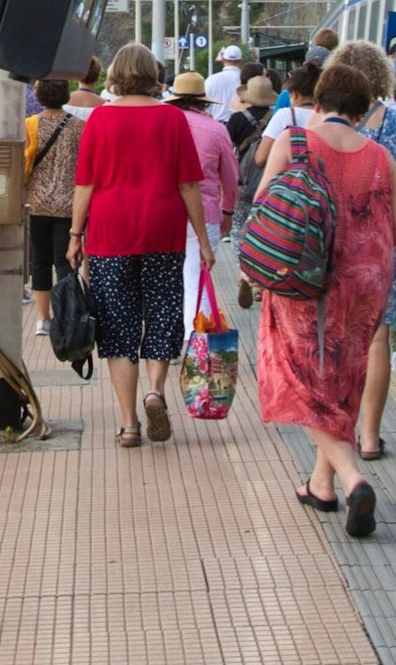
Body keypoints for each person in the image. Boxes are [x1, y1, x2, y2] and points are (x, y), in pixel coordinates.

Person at [253, 49, 396, 537]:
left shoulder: (295, 142)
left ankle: (352, 480)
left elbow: (266, 204)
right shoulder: (378, 154)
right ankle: (320, 484)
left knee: (298, 380)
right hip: (365, 283)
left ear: (318, 102)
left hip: (305, 280)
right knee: (342, 381)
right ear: (362, 107)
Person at [69, 44, 216, 446]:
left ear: (116, 72)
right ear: (153, 73)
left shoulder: (100, 119)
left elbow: (86, 184)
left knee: (118, 326)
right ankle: (155, 391)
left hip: (110, 232)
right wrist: (203, 241)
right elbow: (189, 184)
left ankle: (130, 423)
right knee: (163, 312)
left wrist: (75, 235)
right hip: (163, 230)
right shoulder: (173, 118)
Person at [331, 41, 396, 462]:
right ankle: (370, 437)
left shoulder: (323, 122)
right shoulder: (394, 121)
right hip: (381, 245)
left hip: (332, 245)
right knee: (377, 337)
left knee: (333, 337)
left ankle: (338, 431)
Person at [168, 69, 240, 356]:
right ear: (202, 101)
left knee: (169, 278)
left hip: (166, 211)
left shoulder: (165, 124)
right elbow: (230, 179)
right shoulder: (217, 130)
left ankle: (169, 342)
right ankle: (197, 346)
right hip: (207, 212)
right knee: (199, 278)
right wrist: (229, 211)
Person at [19, 71, 82, 346]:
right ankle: (66, 315)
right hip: (69, 205)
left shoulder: (29, 125)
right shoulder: (80, 127)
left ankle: (43, 318)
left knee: (40, 261)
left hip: (37, 203)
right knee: (65, 262)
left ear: (39, 94)